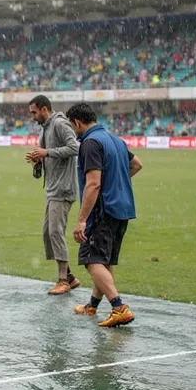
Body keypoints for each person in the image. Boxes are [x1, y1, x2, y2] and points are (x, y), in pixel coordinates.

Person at [66, 102, 143, 327]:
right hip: (123, 209)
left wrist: (81, 220)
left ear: (77, 122)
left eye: (73, 127)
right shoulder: (116, 140)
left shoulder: (90, 143)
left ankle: (119, 307)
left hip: (103, 211)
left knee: (91, 260)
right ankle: (92, 306)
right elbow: (137, 164)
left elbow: (93, 184)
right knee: (104, 260)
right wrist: (116, 183)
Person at [25, 95, 81, 295]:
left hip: (63, 188)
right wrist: (38, 159)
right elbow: (47, 154)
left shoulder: (58, 123)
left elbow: (75, 147)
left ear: (44, 109)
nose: (32, 116)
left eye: (34, 112)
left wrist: (47, 153)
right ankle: (71, 277)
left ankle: (63, 280)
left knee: (55, 232)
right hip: (52, 188)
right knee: (48, 232)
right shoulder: (45, 128)